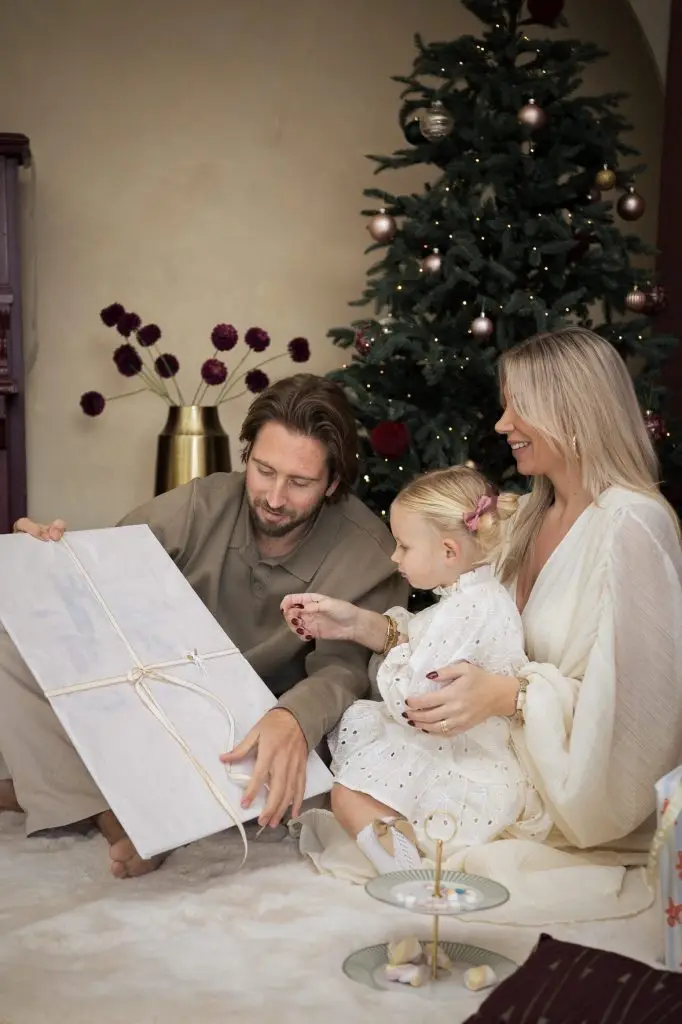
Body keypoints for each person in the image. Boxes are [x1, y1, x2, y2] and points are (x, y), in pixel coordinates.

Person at [290, 328, 682, 925]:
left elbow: (643, 711)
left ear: (570, 411)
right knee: (361, 792)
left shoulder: (632, 523)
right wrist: (365, 625)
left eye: (517, 407)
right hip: (489, 750)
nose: (502, 425)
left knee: (375, 797)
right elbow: (465, 628)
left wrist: (508, 696)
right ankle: (417, 869)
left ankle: (424, 870)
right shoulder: (526, 516)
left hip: (558, 782)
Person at [0, 374, 408, 879]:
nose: (274, 497)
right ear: (247, 455)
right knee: (15, 643)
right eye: (263, 471)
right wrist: (48, 553)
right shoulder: (203, 502)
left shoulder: (367, 551)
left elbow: (342, 672)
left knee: (315, 770)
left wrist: (293, 718)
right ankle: (111, 814)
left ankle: (70, 794)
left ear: (332, 483)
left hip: (258, 724)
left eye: (300, 483)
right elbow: (102, 572)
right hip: (162, 694)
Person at [281, 465, 550, 876]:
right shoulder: (478, 597)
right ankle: (398, 849)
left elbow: (415, 700)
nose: (394, 557)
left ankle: (404, 872)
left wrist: (398, 660)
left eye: (404, 546)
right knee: (357, 786)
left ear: (448, 551)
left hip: (464, 752)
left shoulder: (465, 610)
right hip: (464, 742)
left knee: (349, 794)